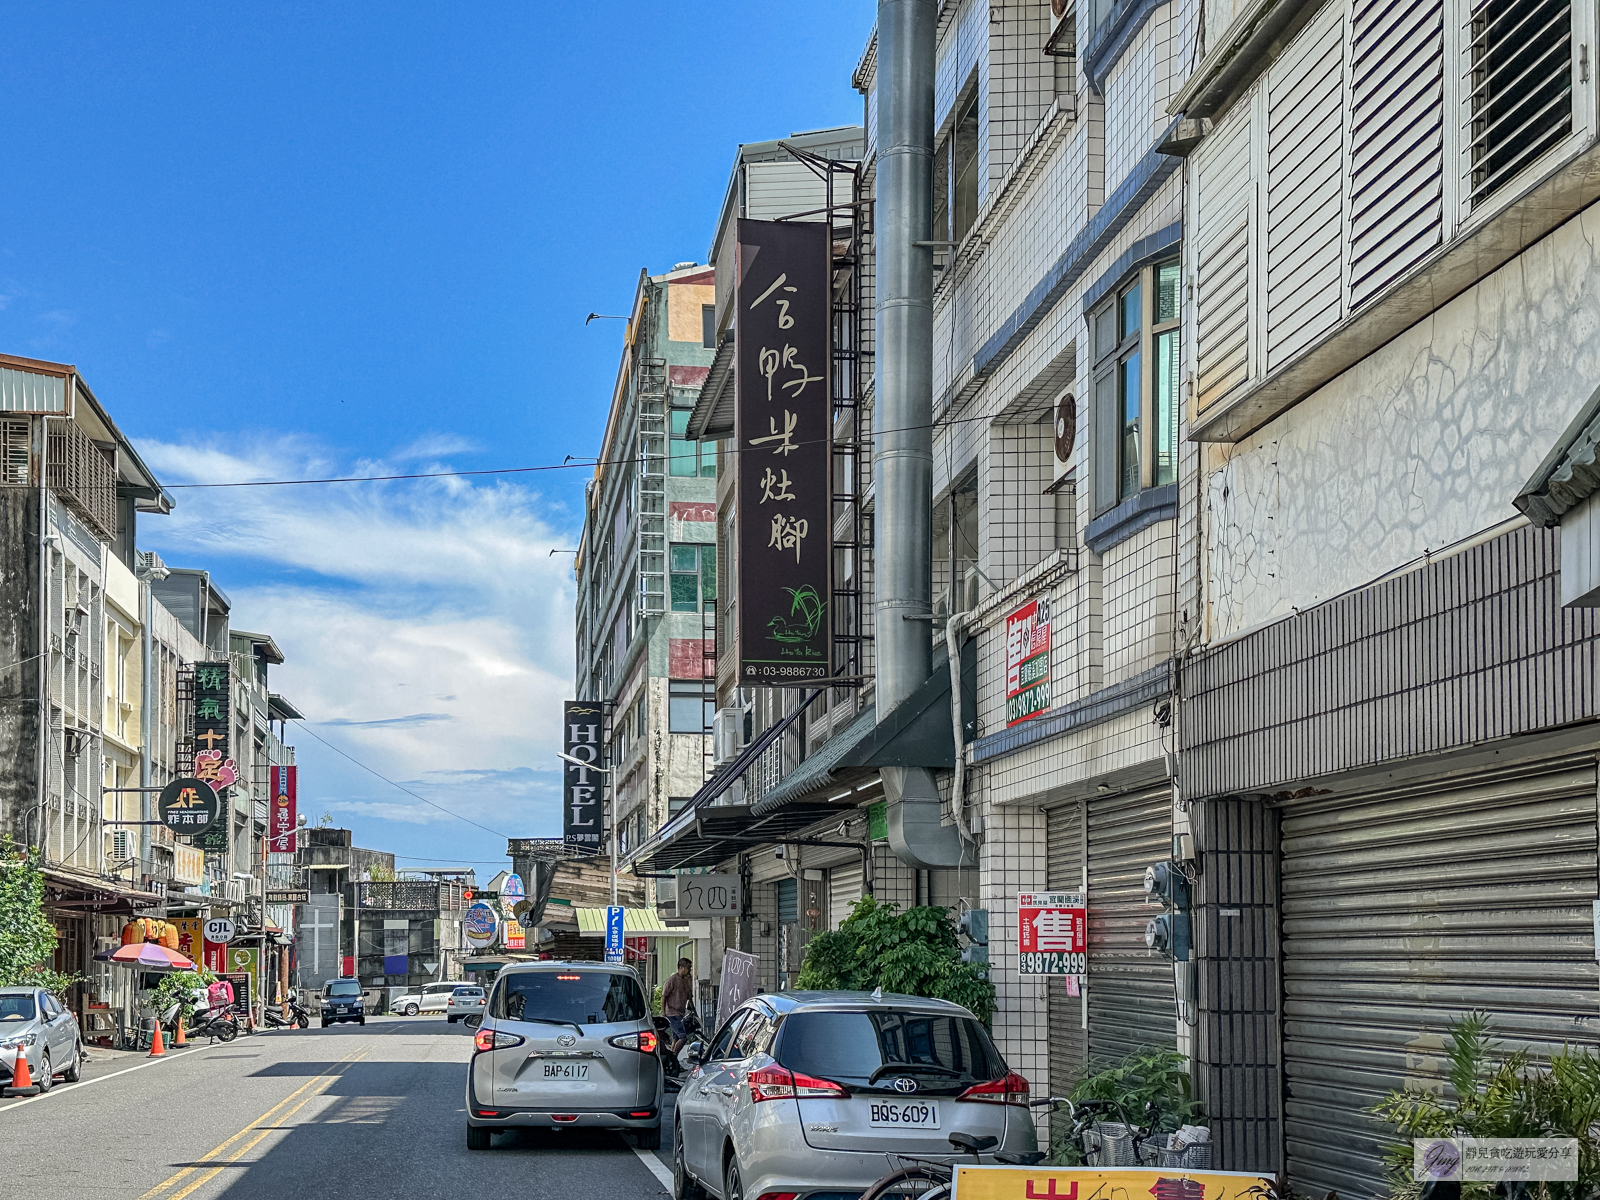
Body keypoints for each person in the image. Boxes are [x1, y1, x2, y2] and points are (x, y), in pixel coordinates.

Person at [661, 958, 696, 1051]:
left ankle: (671, 1059)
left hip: (681, 1013)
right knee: (682, 1037)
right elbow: (664, 996)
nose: (690, 970)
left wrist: (693, 1010)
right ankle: (674, 1056)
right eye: (688, 968)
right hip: (672, 1014)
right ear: (681, 968)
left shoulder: (686, 981)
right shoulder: (672, 980)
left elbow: (689, 997)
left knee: (675, 1038)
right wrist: (663, 1013)